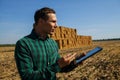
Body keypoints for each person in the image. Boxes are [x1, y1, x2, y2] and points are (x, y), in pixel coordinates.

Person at [15, 7, 81, 80]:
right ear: (41, 21)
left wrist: (73, 63)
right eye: (53, 21)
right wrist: (58, 65)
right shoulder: (24, 44)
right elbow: (27, 76)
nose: (56, 25)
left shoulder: (52, 43)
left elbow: (60, 68)